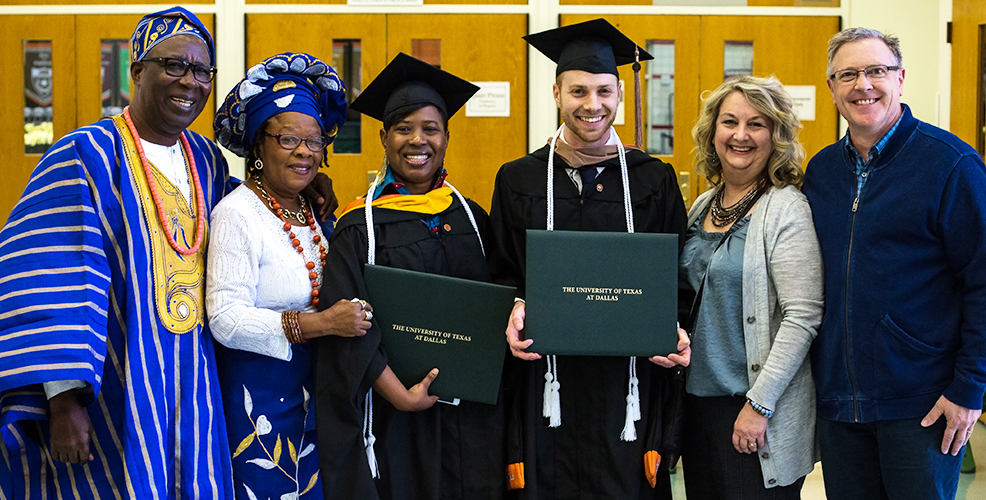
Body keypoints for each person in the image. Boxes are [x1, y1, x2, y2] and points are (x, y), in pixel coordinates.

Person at [0, 7, 236, 499]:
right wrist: (63, 400)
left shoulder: (208, 160)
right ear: (136, 72)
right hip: (112, 379)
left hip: (196, 381)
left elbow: (247, 217)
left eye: (201, 71)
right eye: (174, 65)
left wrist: (304, 190)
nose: (189, 81)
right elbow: (46, 272)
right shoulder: (85, 154)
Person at [491, 18, 691, 499]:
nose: (592, 105)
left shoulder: (652, 180)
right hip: (545, 380)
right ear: (556, 93)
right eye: (578, 91)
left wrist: (677, 331)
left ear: (619, 93)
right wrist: (512, 309)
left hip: (626, 386)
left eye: (604, 91)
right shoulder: (519, 178)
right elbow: (500, 271)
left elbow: (677, 277)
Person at [802, 27, 986, 500]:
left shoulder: (950, 164)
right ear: (832, 89)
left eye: (876, 70)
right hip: (839, 404)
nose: (862, 84)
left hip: (924, 405)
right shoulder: (822, 171)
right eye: (847, 74)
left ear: (901, 78)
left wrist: (969, 389)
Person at [314, 53, 505, 499]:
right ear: (383, 137)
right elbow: (348, 329)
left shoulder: (472, 219)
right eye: (403, 128)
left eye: (430, 129)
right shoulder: (358, 227)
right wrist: (398, 393)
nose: (417, 140)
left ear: (446, 137)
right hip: (395, 415)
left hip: (469, 417)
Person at [209, 52, 372, 500]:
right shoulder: (237, 215)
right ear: (258, 146)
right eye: (288, 140)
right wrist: (320, 324)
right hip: (260, 402)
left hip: (318, 391)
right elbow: (225, 318)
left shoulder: (313, 210)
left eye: (315, 141)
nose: (305, 151)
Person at [679, 75, 822, 499]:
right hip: (697, 404)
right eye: (729, 122)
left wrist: (759, 406)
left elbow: (802, 318)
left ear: (775, 135)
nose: (740, 135)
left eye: (757, 124)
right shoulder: (705, 203)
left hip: (753, 409)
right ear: (712, 132)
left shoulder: (786, 209)